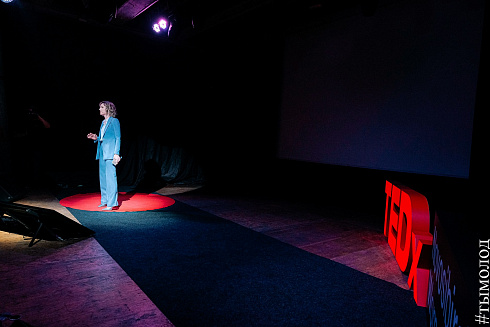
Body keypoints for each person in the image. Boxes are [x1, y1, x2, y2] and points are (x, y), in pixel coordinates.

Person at [87, 101, 121, 210]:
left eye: (101, 107)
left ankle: (111, 203)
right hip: (102, 153)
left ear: (108, 109)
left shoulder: (114, 121)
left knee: (111, 178)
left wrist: (116, 153)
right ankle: (104, 200)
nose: (99, 109)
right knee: (103, 178)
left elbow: (117, 138)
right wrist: (96, 138)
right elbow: (104, 138)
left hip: (110, 153)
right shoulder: (103, 122)